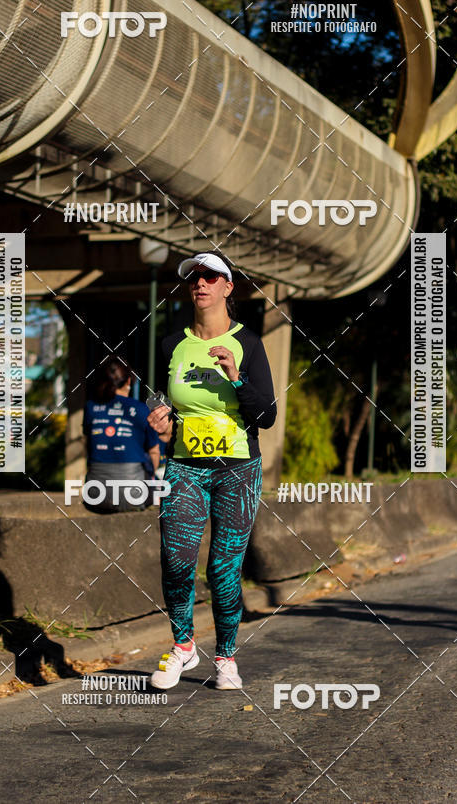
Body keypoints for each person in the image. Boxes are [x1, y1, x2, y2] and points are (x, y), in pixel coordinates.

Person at [147, 251, 277, 690]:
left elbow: (267, 416)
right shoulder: (170, 344)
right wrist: (159, 417)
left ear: (228, 287)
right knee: (177, 561)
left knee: (223, 567)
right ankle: (184, 646)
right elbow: (160, 398)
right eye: (194, 278)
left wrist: (236, 377)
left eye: (210, 276)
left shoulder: (250, 343)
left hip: (238, 469)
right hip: (184, 465)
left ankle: (225, 657)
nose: (200, 283)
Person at [82, 358, 160, 513]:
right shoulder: (142, 409)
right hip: (135, 495)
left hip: (95, 494)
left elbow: (87, 446)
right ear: (129, 381)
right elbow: (154, 452)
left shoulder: (91, 407)